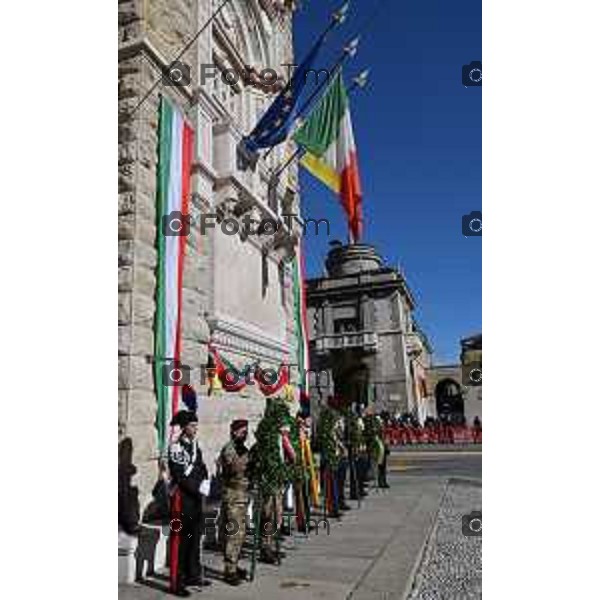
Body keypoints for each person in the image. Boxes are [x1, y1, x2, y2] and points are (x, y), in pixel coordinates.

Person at [167, 410, 211, 597]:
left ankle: (192, 574)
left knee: (194, 537)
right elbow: (179, 475)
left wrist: (206, 482)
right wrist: (198, 487)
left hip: (195, 498)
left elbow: (200, 467)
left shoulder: (195, 446)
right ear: (184, 427)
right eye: (192, 425)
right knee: (180, 541)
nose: (195, 429)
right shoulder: (176, 448)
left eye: (196, 425)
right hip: (182, 499)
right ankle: (176, 581)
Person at [218, 419, 250, 586]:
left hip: (243, 497)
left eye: (246, 431)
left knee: (241, 533)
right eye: (242, 431)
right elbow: (233, 469)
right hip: (233, 497)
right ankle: (229, 570)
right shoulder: (229, 449)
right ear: (234, 431)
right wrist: (248, 460)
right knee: (233, 533)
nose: (245, 434)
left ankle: (235, 564)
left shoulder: (243, 449)